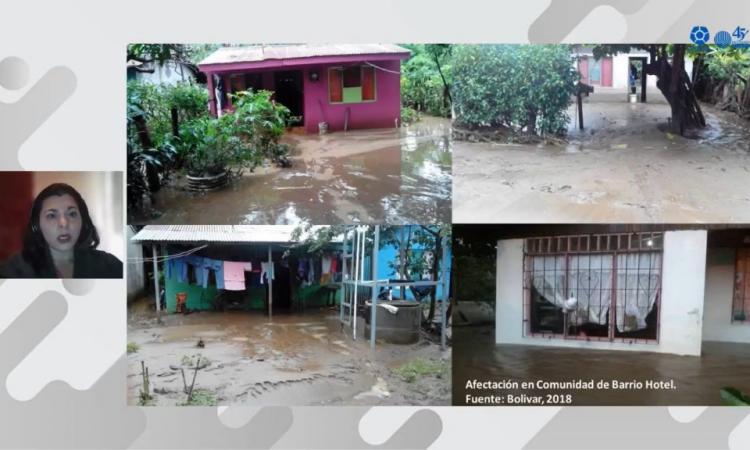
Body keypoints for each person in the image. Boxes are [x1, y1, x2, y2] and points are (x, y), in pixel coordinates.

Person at [0, 183, 122, 278]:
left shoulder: (110, 266)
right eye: (52, 216)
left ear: (83, 221)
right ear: (36, 225)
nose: (64, 223)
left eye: (72, 214)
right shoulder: (14, 271)